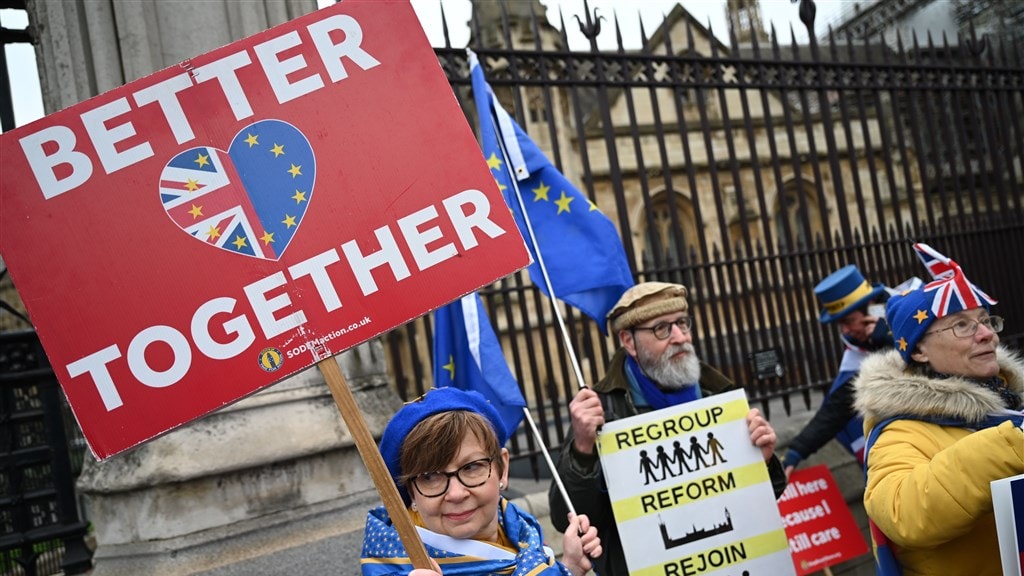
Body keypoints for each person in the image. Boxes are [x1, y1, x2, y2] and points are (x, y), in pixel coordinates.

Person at [547, 282, 787, 576]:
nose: (679, 337)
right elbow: (565, 518)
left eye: (682, 324)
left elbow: (766, 496)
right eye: (662, 328)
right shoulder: (600, 411)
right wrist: (582, 451)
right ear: (629, 341)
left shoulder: (719, 395)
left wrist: (762, 461)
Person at [854, 243, 1024, 576]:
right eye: (962, 325)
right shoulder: (899, 431)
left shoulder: (1012, 400)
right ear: (918, 350)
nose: (987, 335)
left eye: (985, 321)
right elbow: (905, 514)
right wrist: (1011, 444)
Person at [360, 387, 602, 576]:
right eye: (430, 476)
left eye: (472, 467)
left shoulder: (522, 534)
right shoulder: (398, 567)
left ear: (502, 468)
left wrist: (569, 567)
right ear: (410, 492)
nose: (455, 493)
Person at [782, 264, 894, 477]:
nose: (845, 331)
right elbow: (837, 407)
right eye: (839, 324)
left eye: (848, 321)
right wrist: (797, 451)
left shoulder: (917, 317)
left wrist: (890, 339)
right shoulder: (858, 351)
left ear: (872, 307)